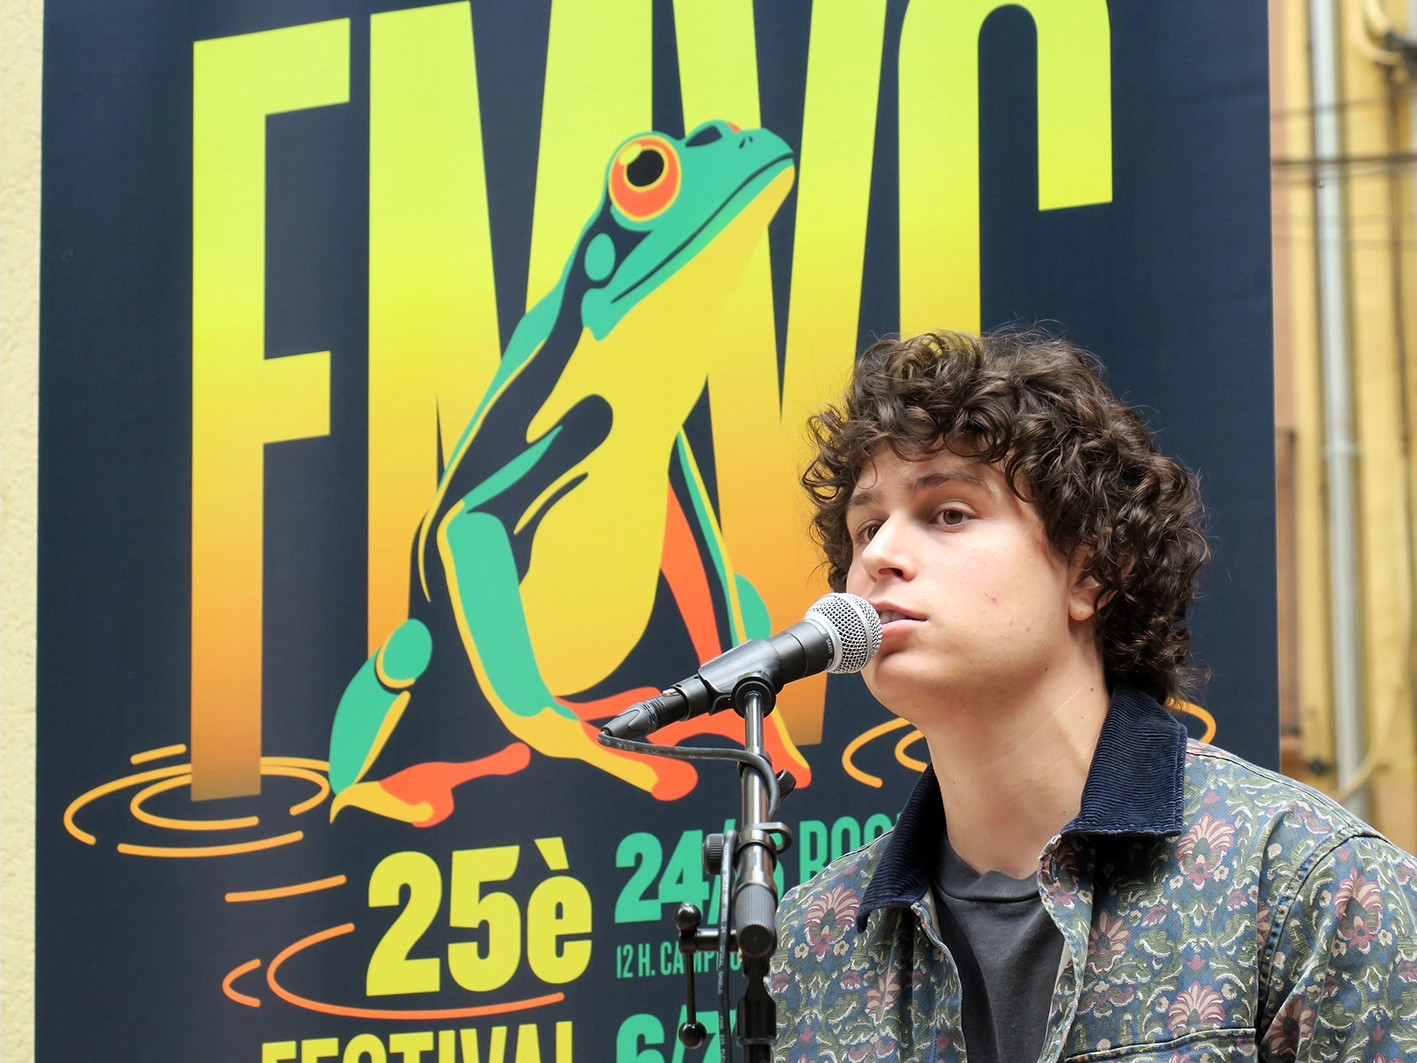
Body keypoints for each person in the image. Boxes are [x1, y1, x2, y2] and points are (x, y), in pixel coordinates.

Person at [769, 330, 1417, 1063]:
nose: (880, 554)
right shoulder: (811, 941)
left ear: (1093, 573)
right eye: (865, 528)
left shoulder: (1307, 881)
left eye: (948, 513)